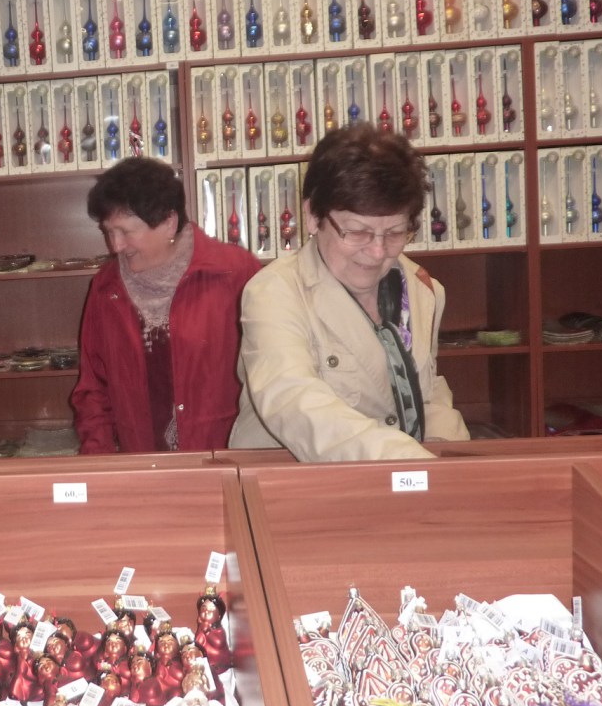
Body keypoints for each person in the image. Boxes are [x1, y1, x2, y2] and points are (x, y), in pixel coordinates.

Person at [229, 124, 469, 460]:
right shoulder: (274, 292)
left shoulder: (420, 288)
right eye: (357, 232)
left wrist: (448, 451)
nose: (377, 252)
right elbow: (294, 401)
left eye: (395, 233)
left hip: (404, 477)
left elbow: (425, 390)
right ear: (313, 216)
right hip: (297, 481)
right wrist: (404, 459)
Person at [72, 157, 262, 453]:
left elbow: (268, 373)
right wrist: (100, 461)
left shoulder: (235, 273)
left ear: (169, 223)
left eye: (126, 232)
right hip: (141, 463)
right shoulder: (106, 288)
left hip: (224, 458)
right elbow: (93, 389)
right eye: (109, 231)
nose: (116, 246)